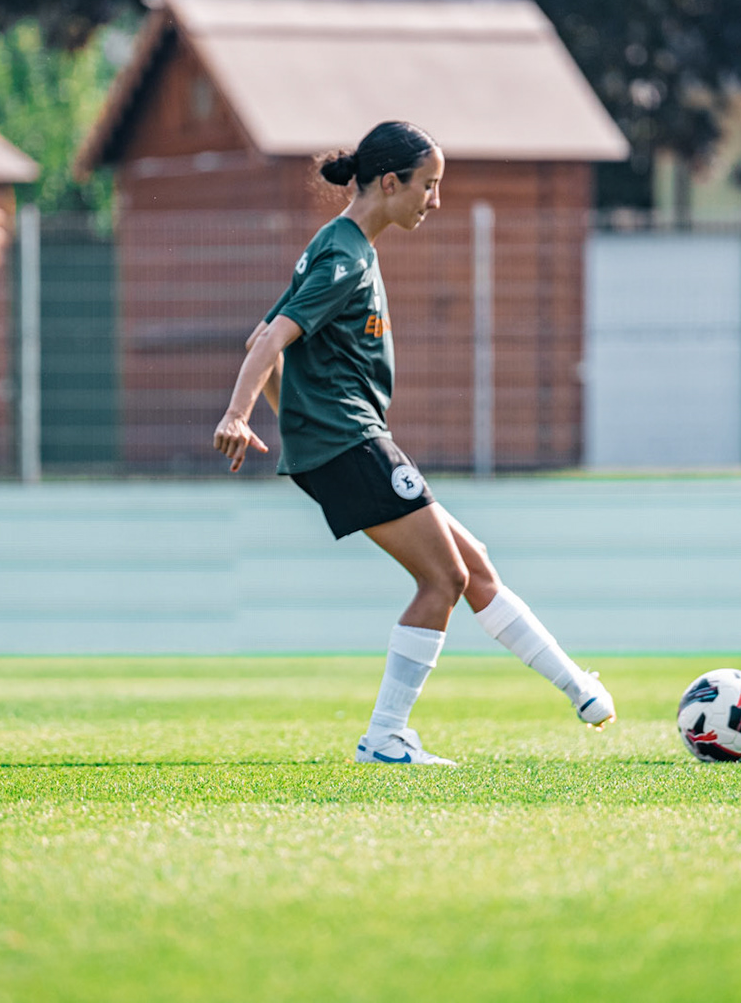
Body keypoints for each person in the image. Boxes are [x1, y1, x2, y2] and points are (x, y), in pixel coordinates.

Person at [213, 120, 615, 765]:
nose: (435, 200)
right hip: (351, 441)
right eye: (429, 186)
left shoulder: (340, 244)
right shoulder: (345, 256)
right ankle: (385, 736)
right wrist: (240, 415)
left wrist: (299, 426)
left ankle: (578, 687)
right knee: (443, 577)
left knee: (472, 562)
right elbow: (266, 342)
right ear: (392, 182)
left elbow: (257, 337)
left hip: (342, 440)